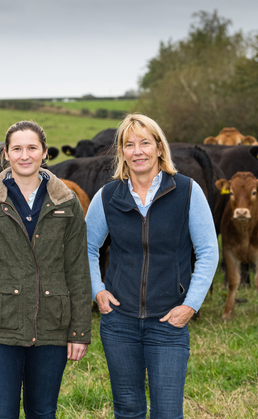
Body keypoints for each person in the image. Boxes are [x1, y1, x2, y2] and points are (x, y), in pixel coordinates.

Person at [85, 113, 218, 419]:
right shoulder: (107, 197)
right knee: (128, 409)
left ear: (159, 147)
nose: (138, 151)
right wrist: (98, 290)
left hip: (168, 322)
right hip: (119, 322)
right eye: (129, 144)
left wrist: (191, 305)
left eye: (145, 142)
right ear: (122, 152)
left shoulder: (186, 191)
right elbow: (87, 247)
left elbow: (209, 251)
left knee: (168, 412)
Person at [0, 121, 93, 418]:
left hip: (51, 326)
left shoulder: (67, 203)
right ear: (5, 154)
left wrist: (79, 331)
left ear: (44, 153)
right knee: (1, 413)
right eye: (17, 149)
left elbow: (78, 271)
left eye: (32, 148)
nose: (24, 155)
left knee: (43, 412)